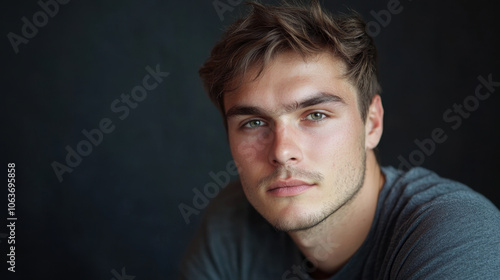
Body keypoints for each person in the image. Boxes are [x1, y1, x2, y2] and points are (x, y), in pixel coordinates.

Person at [179, 1, 500, 279]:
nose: (282, 151)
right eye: (253, 122)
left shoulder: (458, 232)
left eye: (315, 115)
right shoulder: (232, 222)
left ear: (372, 123)